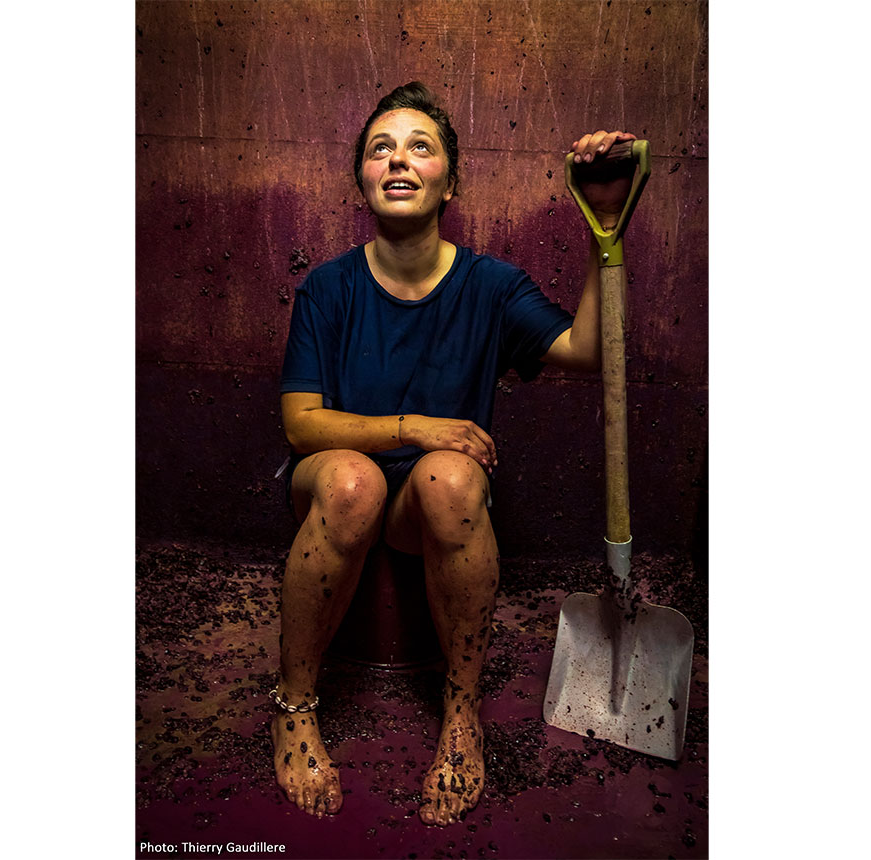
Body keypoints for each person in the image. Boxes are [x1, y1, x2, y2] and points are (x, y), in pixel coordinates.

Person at [270, 81, 636, 826]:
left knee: (451, 474)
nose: (398, 160)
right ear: (362, 179)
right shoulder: (328, 289)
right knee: (350, 479)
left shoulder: (491, 286)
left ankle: (461, 712)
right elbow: (301, 426)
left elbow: (589, 349)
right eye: (380, 148)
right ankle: (296, 704)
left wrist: (605, 226)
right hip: (336, 484)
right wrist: (414, 425)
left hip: (427, 504)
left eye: (419, 147)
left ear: (450, 181)